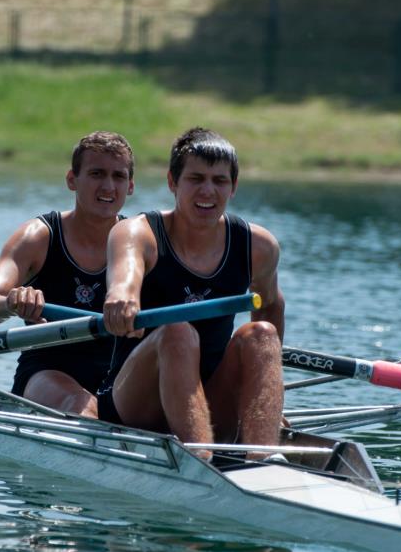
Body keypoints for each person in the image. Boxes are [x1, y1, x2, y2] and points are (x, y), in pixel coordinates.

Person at [99, 127, 285, 459]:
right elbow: (124, 279)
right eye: (196, 178)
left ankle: (264, 457)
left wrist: (265, 397)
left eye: (219, 181)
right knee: (178, 331)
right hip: (136, 404)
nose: (208, 191)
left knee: (261, 334)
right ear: (173, 182)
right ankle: (200, 459)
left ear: (234, 187)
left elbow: (270, 306)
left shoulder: (258, 246)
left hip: (209, 401)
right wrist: (121, 299)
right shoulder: (138, 233)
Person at [0, 131, 134, 418]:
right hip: (47, 371)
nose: (108, 186)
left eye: (118, 176)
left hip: (120, 374)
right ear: (72, 180)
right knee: (82, 409)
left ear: (130, 186)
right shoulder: (38, 236)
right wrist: (11, 302)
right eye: (96, 173)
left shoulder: (141, 240)